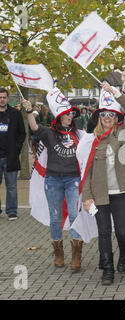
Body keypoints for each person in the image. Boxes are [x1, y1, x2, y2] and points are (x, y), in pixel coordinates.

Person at [82, 82, 125, 286]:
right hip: (100, 194)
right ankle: (107, 269)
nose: (107, 118)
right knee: (104, 232)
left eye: (111, 115)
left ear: (117, 118)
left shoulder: (124, 132)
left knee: (122, 232)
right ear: (99, 118)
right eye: (104, 114)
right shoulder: (93, 140)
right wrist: (87, 197)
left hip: (122, 192)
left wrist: (114, 92)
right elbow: (87, 172)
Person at [22, 95, 84, 271]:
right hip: (53, 180)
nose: (70, 116)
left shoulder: (78, 134)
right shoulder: (49, 132)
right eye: (67, 113)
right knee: (55, 218)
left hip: (73, 179)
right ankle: (58, 254)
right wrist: (29, 111)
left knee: (74, 215)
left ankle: (76, 256)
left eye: (72, 113)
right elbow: (33, 126)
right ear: (59, 116)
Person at [0, 88, 26, 221]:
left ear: (8, 99)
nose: (2, 99)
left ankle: (11, 211)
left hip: (11, 156)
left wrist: (16, 149)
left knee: (11, 186)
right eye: (0, 97)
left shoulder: (15, 114)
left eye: (4, 97)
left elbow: (22, 133)